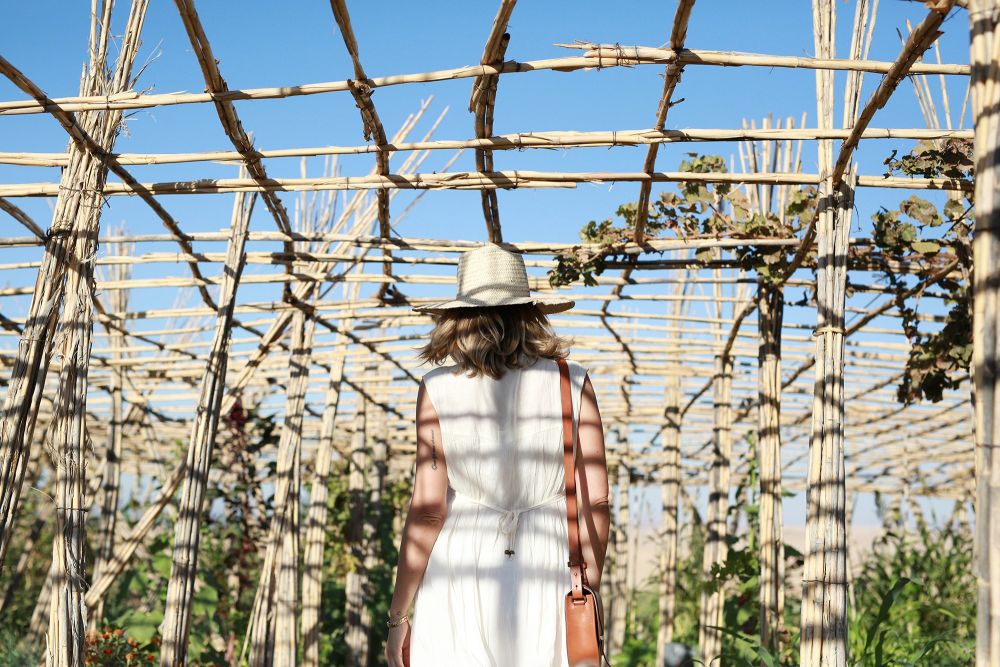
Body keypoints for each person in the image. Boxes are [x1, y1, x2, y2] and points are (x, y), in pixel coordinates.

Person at [384, 243, 611, 667]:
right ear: (528, 313)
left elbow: (429, 510)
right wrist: (587, 585)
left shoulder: (437, 388)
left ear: (458, 318)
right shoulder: (572, 380)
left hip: (460, 563)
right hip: (552, 560)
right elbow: (595, 499)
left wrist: (398, 616)